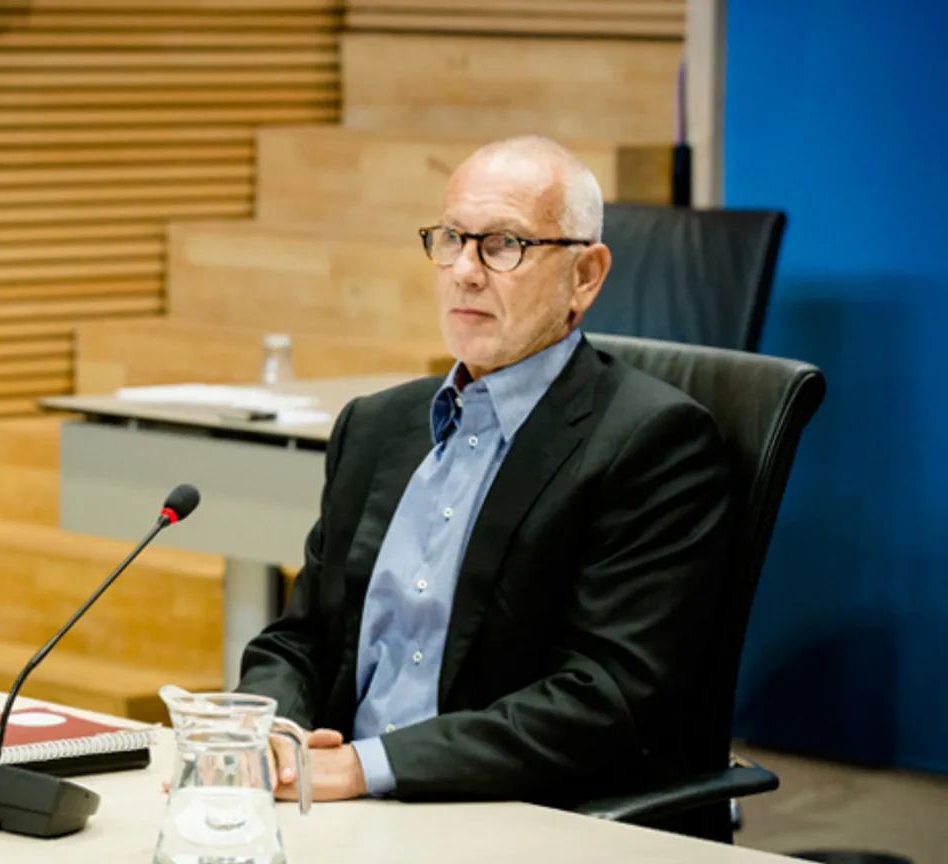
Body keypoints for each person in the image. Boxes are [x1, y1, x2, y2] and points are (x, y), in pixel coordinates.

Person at [235, 136, 732, 808]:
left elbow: (604, 699)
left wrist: (365, 768)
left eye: (504, 245)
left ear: (585, 276)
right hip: (336, 808)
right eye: (451, 239)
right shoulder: (375, 428)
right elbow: (300, 638)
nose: (465, 271)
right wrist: (273, 730)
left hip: (508, 814)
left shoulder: (653, 444)